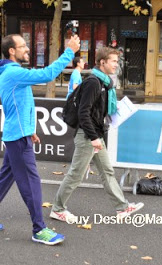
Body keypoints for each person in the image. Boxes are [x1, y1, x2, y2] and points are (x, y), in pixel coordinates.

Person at [0, 33, 80, 246]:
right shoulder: (13, 73)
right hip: (17, 138)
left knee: (6, 177)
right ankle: (39, 230)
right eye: (23, 46)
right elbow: (48, 74)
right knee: (31, 182)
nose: (27, 49)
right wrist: (70, 51)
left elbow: (22, 104)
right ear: (12, 51)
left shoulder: (11, 73)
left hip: (19, 134)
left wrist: (30, 129)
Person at [51, 47, 144, 223]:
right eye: (114, 61)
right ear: (102, 62)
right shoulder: (93, 83)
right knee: (76, 175)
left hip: (95, 134)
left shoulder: (104, 83)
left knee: (107, 171)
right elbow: (83, 113)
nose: (117, 64)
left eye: (117, 61)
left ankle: (122, 208)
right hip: (88, 136)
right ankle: (57, 209)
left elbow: (95, 111)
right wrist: (94, 138)